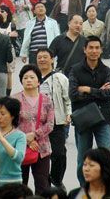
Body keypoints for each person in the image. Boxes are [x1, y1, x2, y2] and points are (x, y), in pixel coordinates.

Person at [68, 36, 110, 186]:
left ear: (101, 50)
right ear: (85, 50)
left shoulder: (106, 70)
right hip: (83, 119)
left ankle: (109, 192)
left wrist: (87, 89)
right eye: (91, 48)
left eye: (97, 48)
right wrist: (98, 91)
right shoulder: (75, 70)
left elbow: (108, 94)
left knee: (106, 157)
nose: (94, 51)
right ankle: (85, 190)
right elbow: (73, 95)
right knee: (83, 160)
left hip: (103, 119)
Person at [12, 64, 54, 194]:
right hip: (20, 147)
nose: (28, 80)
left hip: (42, 149)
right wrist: (27, 139)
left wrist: (34, 135)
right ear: (21, 81)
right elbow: (10, 124)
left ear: (38, 81)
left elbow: (50, 124)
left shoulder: (47, 100)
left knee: (42, 186)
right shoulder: (14, 100)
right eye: (25, 78)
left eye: (32, 77)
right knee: (20, 185)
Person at [36, 47, 72, 190]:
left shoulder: (60, 78)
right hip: (37, 124)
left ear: (52, 59)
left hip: (56, 121)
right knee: (41, 156)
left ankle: (56, 180)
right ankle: (44, 185)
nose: (42, 60)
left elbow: (67, 99)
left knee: (59, 153)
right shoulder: (32, 77)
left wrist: (69, 113)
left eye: (45, 57)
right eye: (39, 57)